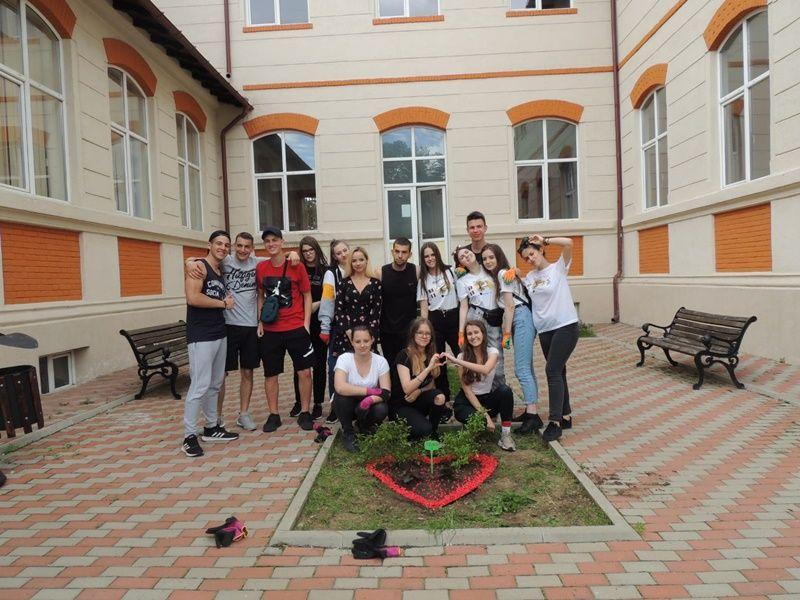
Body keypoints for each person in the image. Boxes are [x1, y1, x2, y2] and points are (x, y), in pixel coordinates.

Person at [185, 239, 300, 432]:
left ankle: (243, 414)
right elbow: (200, 260)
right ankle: (216, 418)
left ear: (252, 249)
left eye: (247, 246)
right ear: (234, 247)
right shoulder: (225, 260)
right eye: (239, 246)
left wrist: (292, 253)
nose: (243, 250)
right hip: (228, 325)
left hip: (250, 327)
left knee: (248, 372)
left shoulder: (257, 263)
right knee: (220, 376)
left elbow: (277, 257)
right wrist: (189, 262)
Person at [182, 230, 239, 457]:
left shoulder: (219, 269)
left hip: (219, 332)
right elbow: (193, 298)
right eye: (219, 243)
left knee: (215, 383)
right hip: (201, 335)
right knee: (200, 385)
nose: (223, 248)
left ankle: (211, 427)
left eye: (226, 245)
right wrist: (223, 304)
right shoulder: (199, 266)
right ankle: (189, 437)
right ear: (209, 245)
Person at [518, 234, 579, 442]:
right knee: (559, 371)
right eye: (526, 258)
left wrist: (546, 239)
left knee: (551, 370)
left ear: (540, 250)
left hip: (565, 326)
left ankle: (555, 423)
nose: (530, 259)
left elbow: (569, 243)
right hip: (545, 331)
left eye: (532, 254)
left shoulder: (558, 268)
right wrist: (516, 275)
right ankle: (566, 415)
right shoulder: (529, 278)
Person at [256, 226, 315, 433]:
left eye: (274, 240)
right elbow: (260, 295)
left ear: (282, 242)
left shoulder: (296, 265)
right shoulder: (261, 268)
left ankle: (305, 412)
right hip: (271, 330)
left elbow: (307, 295)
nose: (271, 244)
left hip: (296, 327)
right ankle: (274, 415)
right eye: (267, 241)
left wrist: (306, 324)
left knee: (304, 372)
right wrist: (260, 321)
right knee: (270, 374)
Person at [482, 243, 542, 435]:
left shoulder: (502, 274)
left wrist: (506, 333)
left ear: (499, 257)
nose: (488, 261)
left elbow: (510, 306)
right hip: (520, 318)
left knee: (521, 369)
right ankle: (531, 411)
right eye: (485, 258)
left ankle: (533, 416)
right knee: (527, 368)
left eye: (491, 257)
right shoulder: (502, 274)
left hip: (520, 317)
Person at [444, 319, 515, 452]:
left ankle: (505, 434)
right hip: (466, 402)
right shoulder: (462, 356)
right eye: (469, 334)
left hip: (486, 399)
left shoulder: (492, 352)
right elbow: (467, 391)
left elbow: (485, 369)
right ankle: (474, 430)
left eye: (476, 332)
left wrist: (457, 361)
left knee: (505, 391)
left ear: (483, 333)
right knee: (480, 421)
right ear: (466, 337)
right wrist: (486, 417)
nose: (473, 336)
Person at [453, 245, 506, 388]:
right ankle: (479, 390)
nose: (466, 256)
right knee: (476, 355)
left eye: (466, 252)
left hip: (493, 317)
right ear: (460, 264)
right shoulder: (462, 281)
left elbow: (506, 271)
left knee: (497, 355)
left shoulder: (489, 268)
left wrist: (514, 271)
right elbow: (464, 306)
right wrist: (461, 332)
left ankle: (499, 390)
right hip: (475, 316)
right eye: (461, 257)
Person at [333, 325, 391, 452]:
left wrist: (368, 400)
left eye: (366, 340)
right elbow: (340, 387)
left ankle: (364, 426)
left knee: (381, 409)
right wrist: (369, 391)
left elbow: (386, 393)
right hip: (348, 402)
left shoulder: (381, 361)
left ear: (372, 340)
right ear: (352, 342)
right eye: (358, 341)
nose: (362, 345)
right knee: (340, 398)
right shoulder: (344, 359)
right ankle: (348, 433)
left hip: (368, 404)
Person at [291, 236, 328, 420]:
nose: (308, 254)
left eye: (311, 250)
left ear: (317, 250)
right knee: (299, 365)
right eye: (304, 251)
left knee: (319, 365)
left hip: (320, 323)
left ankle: (318, 403)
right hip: (300, 323)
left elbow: (331, 294)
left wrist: (317, 304)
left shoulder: (326, 271)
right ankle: (299, 401)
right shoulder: (298, 268)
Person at [417, 242, 459, 405]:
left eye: (432, 254)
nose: (430, 258)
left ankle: (470, 394)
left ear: (437, 255)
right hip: (435, 320)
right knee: (439, 361)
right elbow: (424, 307)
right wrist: (425, 329)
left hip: (454, 318)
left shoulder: (450, 271)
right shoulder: (422, 279)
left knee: (462, 356)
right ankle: (444, 399)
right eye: (426, 256)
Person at [394, 318, 447, 439]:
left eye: (428, 333)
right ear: (413, 334)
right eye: (420, 333)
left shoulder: (430, 354)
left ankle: (434, 433)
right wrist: (428, 369)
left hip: (419, 401)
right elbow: (407, 389)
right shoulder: (404, 355)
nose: (424, 336)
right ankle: (418, 431)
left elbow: (431, 382)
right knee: (424, 429)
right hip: (403, 404)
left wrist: (420, 391)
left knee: (440, 397)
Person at [380, 237, 418, 400]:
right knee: (389, 365)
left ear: (410, 254)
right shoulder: (381, 272)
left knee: (408, 365)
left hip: (408, 331)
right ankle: (392, 400)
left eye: (404, 252)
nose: (400, 255)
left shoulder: (416, 271)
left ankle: (407, 399)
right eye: (397, 251)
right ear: (392, 252)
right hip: (387, 329)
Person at [318, 239, 350, 423]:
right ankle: (335, 407)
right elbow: (327, 301)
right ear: (334, 256)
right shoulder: (331, 274)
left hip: (357, 328)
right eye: (339, 253)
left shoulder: (357, 268)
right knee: (335, 368)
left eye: (345, 250)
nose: (343, 254)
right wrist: (325, 327)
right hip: (338, 328)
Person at [331, 247, 382, 359]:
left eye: (361, 260)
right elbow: (339, 310)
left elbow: (376, 311)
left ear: (367, 260)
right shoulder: (343, 283)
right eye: (354, 261)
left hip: (368, 336)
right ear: (350, 263)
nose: (358, 263)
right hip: (347, 334)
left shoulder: (376, 283)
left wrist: (368, 335)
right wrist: (349, 332)